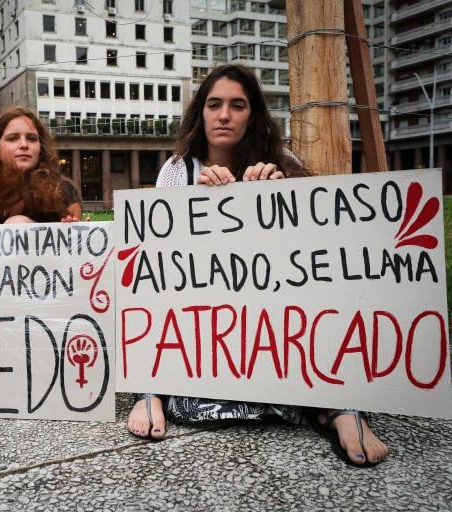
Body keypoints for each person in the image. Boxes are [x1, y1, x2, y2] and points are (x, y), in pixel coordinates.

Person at [126, 63, 389, 467]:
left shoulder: (280, 160)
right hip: (206, 319)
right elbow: (159, 268)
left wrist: (282, 196)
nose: (225, 115)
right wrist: (193, 205)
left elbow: (314, 262)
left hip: (268, 319)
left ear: (253, 114)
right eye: (214, 104)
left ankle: (340, 408)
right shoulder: (178, 170)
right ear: (201, 112)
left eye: (237, 105)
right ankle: (154, 390)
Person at [0, 106, 81, 225]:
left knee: (18, 222)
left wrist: (72, 226)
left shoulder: (62, 190)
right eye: (13, 138)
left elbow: (75, 240)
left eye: (31, 138)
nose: (24, 145)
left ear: (41, 149)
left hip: (43, 247)